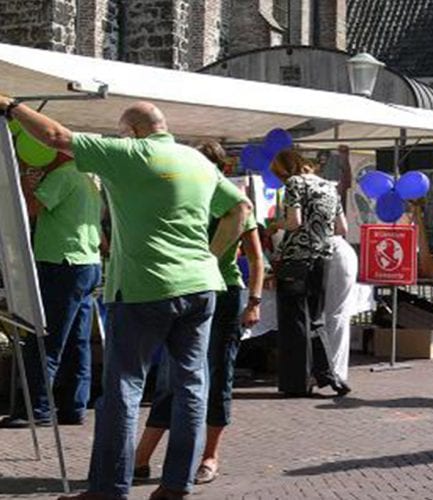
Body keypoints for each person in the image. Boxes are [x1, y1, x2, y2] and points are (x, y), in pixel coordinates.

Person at [0, 96, 251, 500]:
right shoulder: (197, 161)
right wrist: (211, 254)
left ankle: (108, 488)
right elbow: (240, 207)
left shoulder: (129, 153)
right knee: (191, 386)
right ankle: (176, 485)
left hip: (143, 289)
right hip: (201, 288)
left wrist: (10, 105)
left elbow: (54, 136)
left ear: (131, 131)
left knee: (123, 389)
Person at [133, 141, 265, 485]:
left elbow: (256, 259)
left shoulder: (234, 202)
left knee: (218, 374)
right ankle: (142, 456)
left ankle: (209, 455)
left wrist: (254, 301)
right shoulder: (183, 195)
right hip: (185, 290)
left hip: (223, 295)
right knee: (170, 375)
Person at [0, 144, 102, 428]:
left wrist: (24, 187)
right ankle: (73, 406)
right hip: (86, 262)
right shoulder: (87, 175)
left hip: (62, 263)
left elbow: (30, 210)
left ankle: (36, 409)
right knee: (76, 342)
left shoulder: (63, 175)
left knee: (45, 339)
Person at [270, 149, 349, 397]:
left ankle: (297, 382)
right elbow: (342, 228)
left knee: (294, 321)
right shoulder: (329, 186)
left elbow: (293, 222)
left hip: (296, 259)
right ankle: (329, 374)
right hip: (322, 259)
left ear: (285, 170)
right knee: (315, 319)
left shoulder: (294, 183)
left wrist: (275, 224)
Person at [322, 235, 358, 382]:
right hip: (340, 251)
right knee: (339, 316)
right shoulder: (334, 211)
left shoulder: (296, 212)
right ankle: (335, 371)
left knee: (333, 316)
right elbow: (342, 228)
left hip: (328, 252)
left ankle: (331, 371)